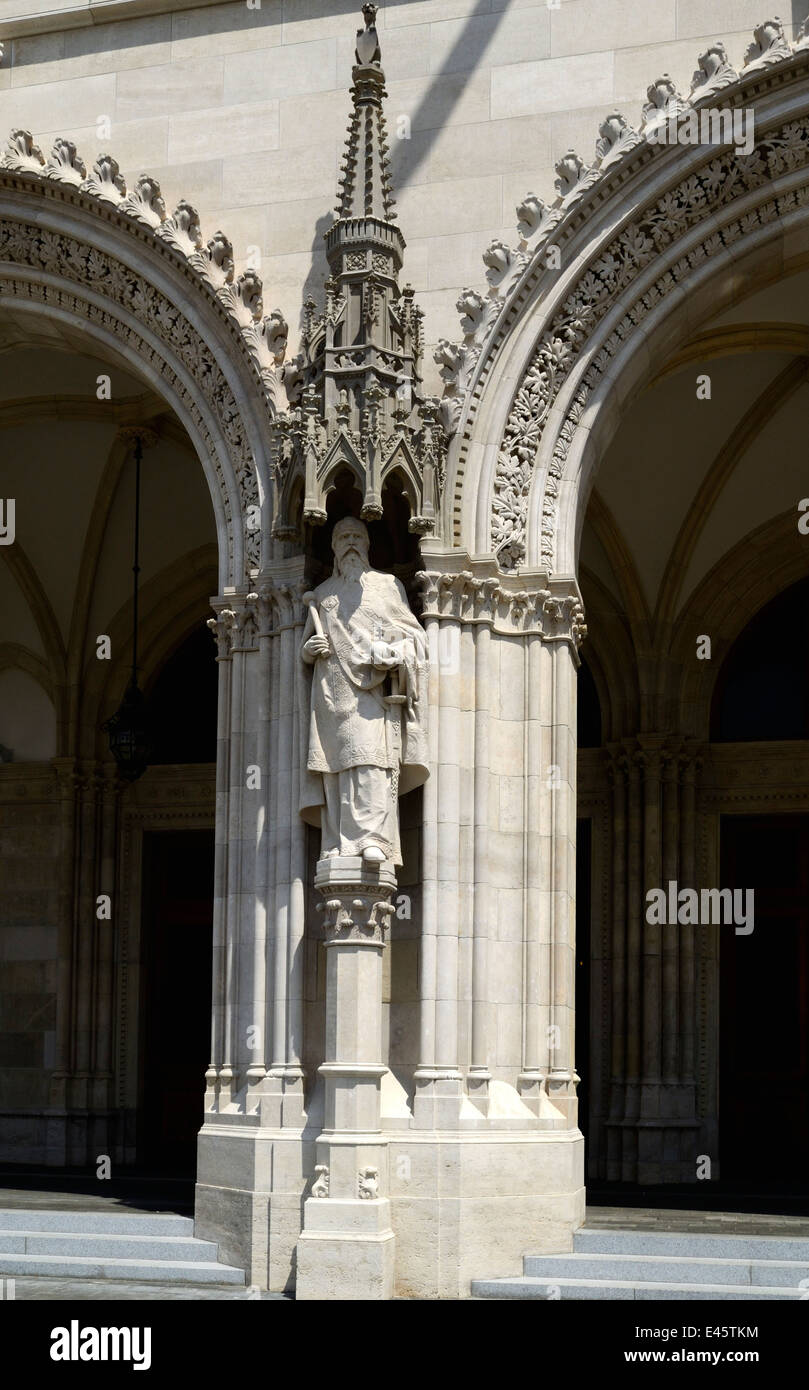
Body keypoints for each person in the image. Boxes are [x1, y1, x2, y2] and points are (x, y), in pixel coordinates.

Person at [300, 516, 428, 864]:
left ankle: (373, 837)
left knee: (371, 760)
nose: (351, 542)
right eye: (344, 537)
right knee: (338, 766)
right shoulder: (323, 595)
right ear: (334, 547)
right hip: (332, 694)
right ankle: (339, 840)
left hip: (374, 693)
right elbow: (306, 648)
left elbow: (415, 637)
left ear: (368, 545)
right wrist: (308, 651)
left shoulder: (387, 586)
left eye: (358, 536)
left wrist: (393, 653)